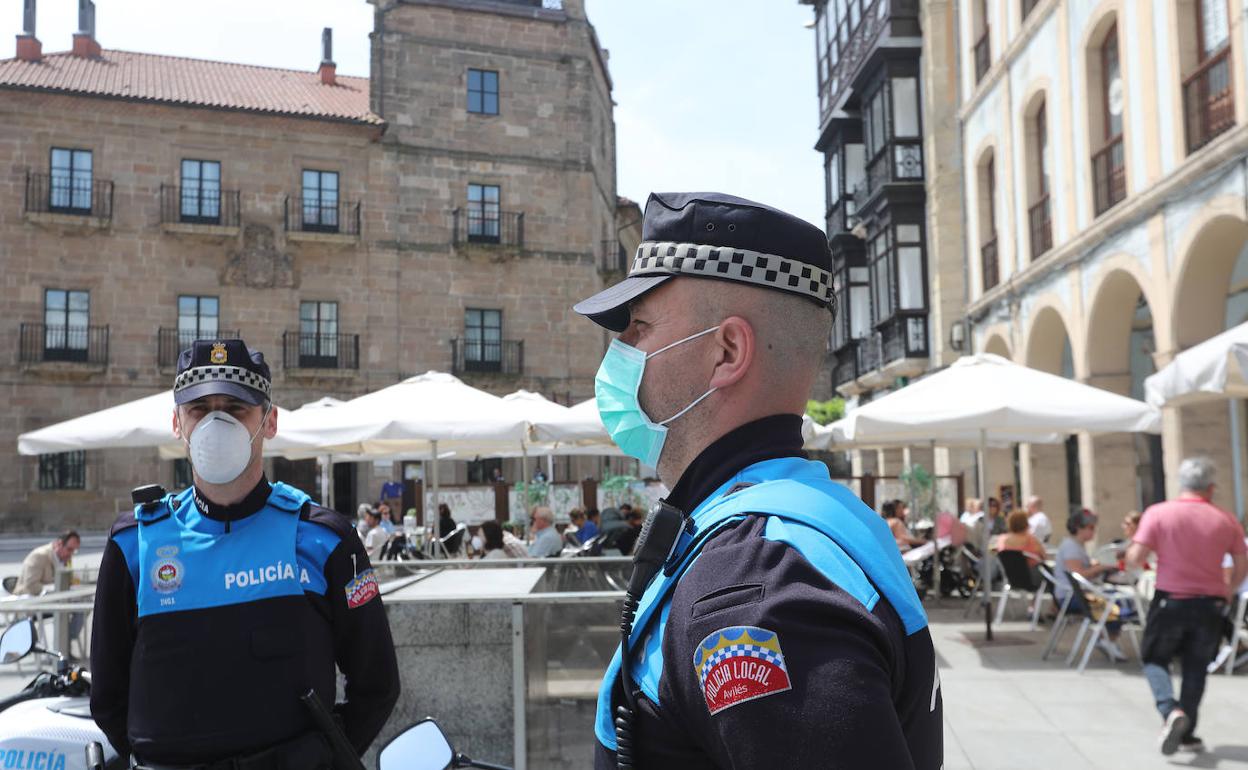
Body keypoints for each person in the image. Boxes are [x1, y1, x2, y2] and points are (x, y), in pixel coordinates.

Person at [573, 192, 941, 768]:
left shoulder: (753, 587)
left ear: (726, 352)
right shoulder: (813, 514)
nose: (619, 350)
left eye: (638, 327)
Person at [89, 339, 399, 767]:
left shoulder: (324, 540)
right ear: (177, 423)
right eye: (199, 409)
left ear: (269, 422)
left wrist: (319, 759)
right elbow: (108, 696)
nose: (216, 423)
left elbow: (376, 683)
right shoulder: (133, 544)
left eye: (236, 409)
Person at [1127, 457, 1248, 755]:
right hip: (1210, 603)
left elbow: (1135, 557)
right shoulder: (1226, 520)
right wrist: (1229, 589)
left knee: (1154, 658)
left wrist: (1144, 559)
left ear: (1180, 483)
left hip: (1171, 598)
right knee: (1196, 668)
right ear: (1211, 487)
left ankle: (1170, 710)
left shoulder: (1159, 513)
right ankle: (1187, 733)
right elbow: (1242, 563)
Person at [1054, 508, 1128, 662]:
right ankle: (1107, 639)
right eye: (1091, 528)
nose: (1094, 531)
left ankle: (1107, 638)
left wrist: (1097, 566)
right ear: (1079, 528)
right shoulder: (1071, 547)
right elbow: (1078, 574)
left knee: (1116, 598)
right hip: (1073, 597)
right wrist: (1102, 567)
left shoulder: (1074, 545)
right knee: (1118, 602)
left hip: (1073, 595)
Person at [14, 530, 85, 640]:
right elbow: (31, 585)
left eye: (74, 551)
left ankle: (67, 640)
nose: (71, 554)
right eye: (69, 549)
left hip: (50, 600)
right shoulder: (39, 555)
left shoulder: (64, 559)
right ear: (59, 544)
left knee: (83, 602)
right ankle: (66, 641)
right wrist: (56, 590)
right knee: (77, 606)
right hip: (30, 602)